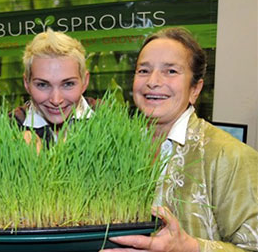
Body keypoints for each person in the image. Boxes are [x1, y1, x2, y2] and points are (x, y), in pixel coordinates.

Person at [102, 27, 258, 252]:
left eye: (171, 71)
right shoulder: (113, 151)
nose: (153, 82)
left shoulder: (230, 156)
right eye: (143, 70)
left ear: (195, 89)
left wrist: (188, 247)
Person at [12, 28, 96, 146]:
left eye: (68, 84)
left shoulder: (108, 118)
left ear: (85, 81)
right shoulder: (10, 126)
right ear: (27, 84)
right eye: (42, 85)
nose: (56, 100)